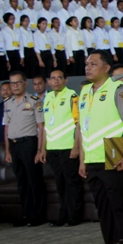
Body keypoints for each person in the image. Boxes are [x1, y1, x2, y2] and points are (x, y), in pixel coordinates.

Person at [78, 51, 123, 244]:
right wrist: (82, 159)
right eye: (86, 64)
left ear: (106, 68)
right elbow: (83, 127)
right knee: (104, 212)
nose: (88, 67)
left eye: (93, 64)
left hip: (113, 157)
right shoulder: (84, 92)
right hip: (92, 158)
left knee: (119, 210)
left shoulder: (117, 90)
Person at [41, 69, 82, 227]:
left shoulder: (72, 96)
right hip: (52, 149)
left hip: (67, 147)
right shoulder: (48, 97)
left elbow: (78, 123)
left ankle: (74, 216)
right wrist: (43, 148)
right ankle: (63, 215)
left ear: (65, 80)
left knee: (72, 183)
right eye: (52, 78)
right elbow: (45, 125)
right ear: (49, 81)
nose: (56, 81)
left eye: (59, 78)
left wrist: (76, 146)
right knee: (60, 184)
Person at [4, 71, 46, 227]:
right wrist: (8, 151)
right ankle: (26, 213)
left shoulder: (34, 101)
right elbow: (7, 128)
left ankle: (38, 215)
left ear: (25, 83)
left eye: (17, 83)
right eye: (12, 83)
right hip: (14, 145)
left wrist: (40, 150)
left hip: (29, 143)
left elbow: (41, 127)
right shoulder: (8, 102)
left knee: (34, 180)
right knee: (21, 181)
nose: (14, 86)